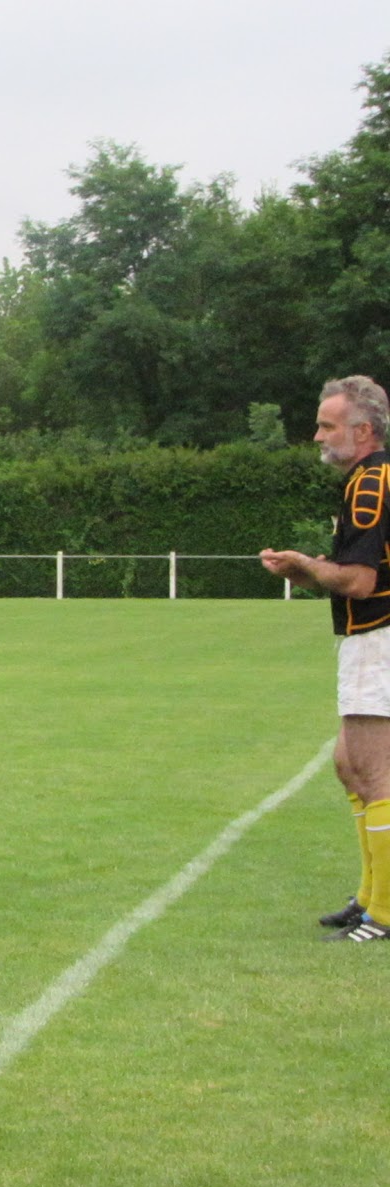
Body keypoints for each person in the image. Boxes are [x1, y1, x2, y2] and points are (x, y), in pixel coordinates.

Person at [261, 375, 390, 943]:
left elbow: (360, 581)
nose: (317, 436)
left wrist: (308, 566)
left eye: (326, 425)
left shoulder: (371, 483)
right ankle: (369, 897)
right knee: (348, 765)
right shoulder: (366, 479)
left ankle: (384, 914)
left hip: (379, 635)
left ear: (362, 431)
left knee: (375, 773)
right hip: (370, 636)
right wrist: (306, 571)